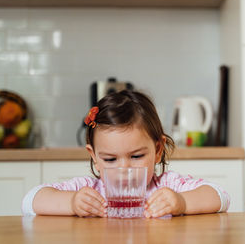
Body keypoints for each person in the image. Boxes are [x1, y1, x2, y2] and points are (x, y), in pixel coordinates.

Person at [22, 90, 230, 218]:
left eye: (137, 156)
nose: (124, 170)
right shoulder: (89, 190)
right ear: (93, 155)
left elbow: (220, 196)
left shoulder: (168, 187)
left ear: (158, 150)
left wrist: (182, 202)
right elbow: (30, 200)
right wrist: (72, 203)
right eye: (110, 159)